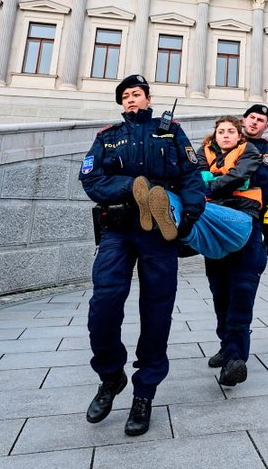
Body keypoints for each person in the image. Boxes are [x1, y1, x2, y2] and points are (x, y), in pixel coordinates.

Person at [79, 74, 206, 436]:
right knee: (104, 302)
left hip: (159, 232)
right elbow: (90, 179)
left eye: (136, 94)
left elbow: (191, 176)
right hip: (118, 229)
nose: (131, 100)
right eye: (125, 97)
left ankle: (144, 392)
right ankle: (110, 375)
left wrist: (188, 218)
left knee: (157, 309)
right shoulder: (107, 137)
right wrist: (130, 187)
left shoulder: (171, 132)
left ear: (148, 98)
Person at [197, 113, 268, 387]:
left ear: (239, 135)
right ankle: (226, 346)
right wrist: (220, 183)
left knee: (241, 291)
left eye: (231, 131)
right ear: (215, 135)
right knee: (220, 292)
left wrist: (210, 185)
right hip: (214, 224)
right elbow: (196, 179)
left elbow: (239, 177)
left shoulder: (250, 151)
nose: (226, 135)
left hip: (243, 222)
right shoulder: (201, 153)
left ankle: (234, 359)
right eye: (221, 131)